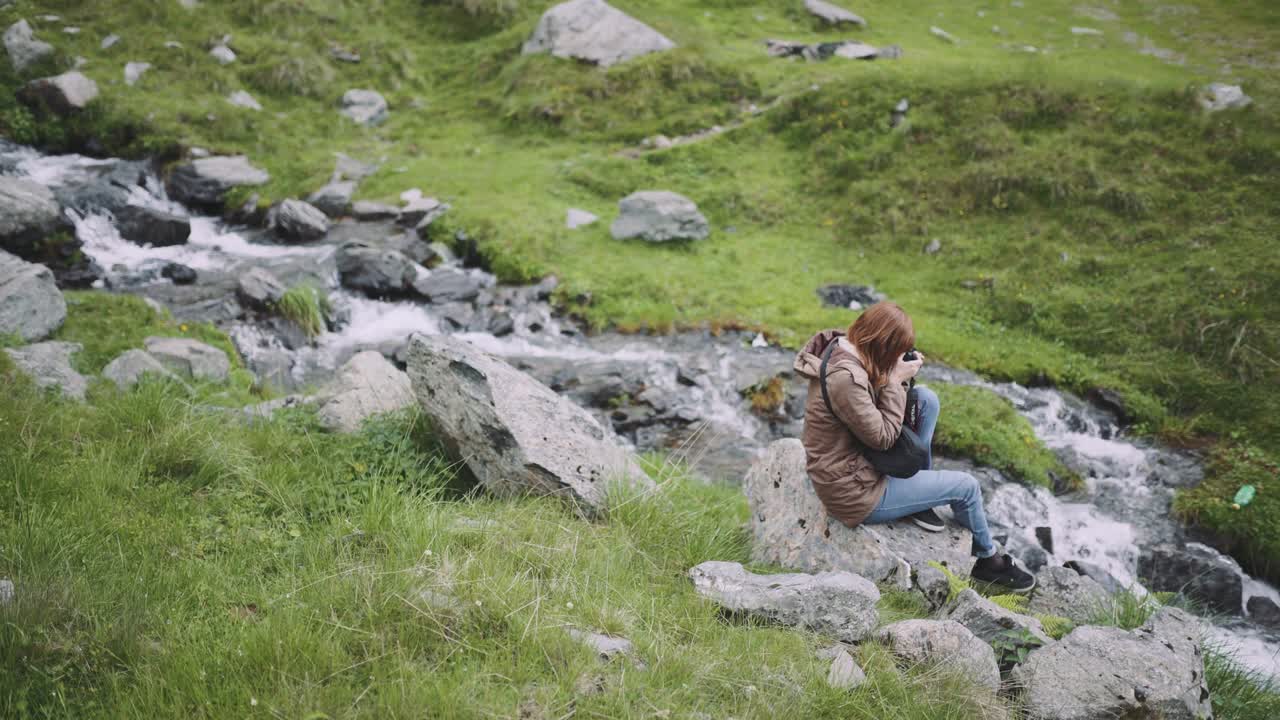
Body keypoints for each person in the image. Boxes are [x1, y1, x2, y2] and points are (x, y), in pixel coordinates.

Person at [793, 302, 1036, 593]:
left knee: (925, 400)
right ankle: (987, 561)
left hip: (860, 464)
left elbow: (874, 405)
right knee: (967, 487)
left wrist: (897, 374)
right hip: (854, 491)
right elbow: (882, 437)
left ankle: (918, 501)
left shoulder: (846, 348)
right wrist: (895, 379)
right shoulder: (845, 379)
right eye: (894, 351)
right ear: (881, 344)